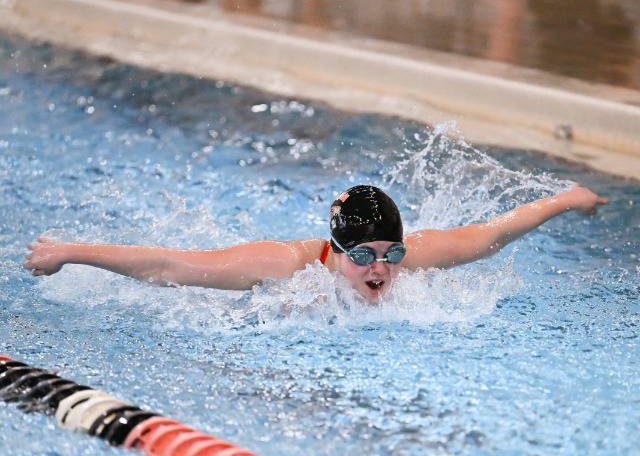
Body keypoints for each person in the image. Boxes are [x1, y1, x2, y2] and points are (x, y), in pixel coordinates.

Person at [24, 184, 607, 304]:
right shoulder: (285, 265)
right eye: (364, 256)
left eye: (391, 254)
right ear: (335, 252)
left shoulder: (415, 255)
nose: (381, 270)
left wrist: (566, 199)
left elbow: (492, 234)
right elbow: (171, 265)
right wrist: (71, 251)